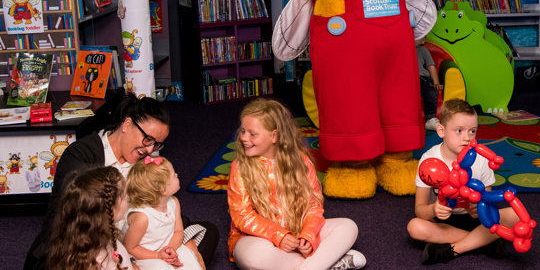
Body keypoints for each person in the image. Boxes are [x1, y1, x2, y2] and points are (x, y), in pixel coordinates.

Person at [25, 94, 219, 269]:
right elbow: (73, 221)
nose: (150, 149)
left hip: (140, 241)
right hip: (91, 246)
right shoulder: (83, 155)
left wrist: (184, 237)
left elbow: (162, 203)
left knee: (207, 232)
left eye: (156, 144)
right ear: (126, 125)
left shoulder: (143, 163)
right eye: (148, 140)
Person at [227, 98, 366, 270]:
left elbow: (313, 205)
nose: (244, 138)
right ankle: (326, 263)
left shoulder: (301, 161)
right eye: (242, 131)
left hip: (298, 232)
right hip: (259, 239)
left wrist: (308, 235)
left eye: (252, 134)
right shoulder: (240, 167)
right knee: (251, 257)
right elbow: (242, 215)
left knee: (348, 226)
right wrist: (278, 235)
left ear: (274, 136)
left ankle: (310, 265)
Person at [407, 98, 519, 265]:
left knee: (514, 215)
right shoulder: (428, 160)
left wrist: (480, 208)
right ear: (441, 131)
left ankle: (454, 249)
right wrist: (434, 209)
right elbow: (420, 210)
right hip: (443, 221)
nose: (467, 138)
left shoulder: (480, 158)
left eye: (472, 131)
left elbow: (488, 201)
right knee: (415, 227)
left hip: (475, 219)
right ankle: (483, 242)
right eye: (459, 131)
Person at [47, 166, 136, 270]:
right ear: (109, 210)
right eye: (124, 196)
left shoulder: (77, 240)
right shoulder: (100, 259)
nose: (128, 198)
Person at [123, 156, 204, 269]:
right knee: (159, 267)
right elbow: (130, 248)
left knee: (189, 257)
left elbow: (178, 231)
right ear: (163, 189)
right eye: (173, 175)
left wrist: (170, 250)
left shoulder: (174, 202)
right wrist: (157, 255)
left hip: (167, 246)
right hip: (145, 256)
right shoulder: (142, 217)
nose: (177, 175)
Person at [417, 38, 443, 131]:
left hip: (422, 78)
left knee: (430, 91)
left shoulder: (423, 50)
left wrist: (436, 82)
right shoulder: (402, 49)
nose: (425, 39)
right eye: (422, 36)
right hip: (406, 79)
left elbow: (431, 67)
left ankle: (430, 118)